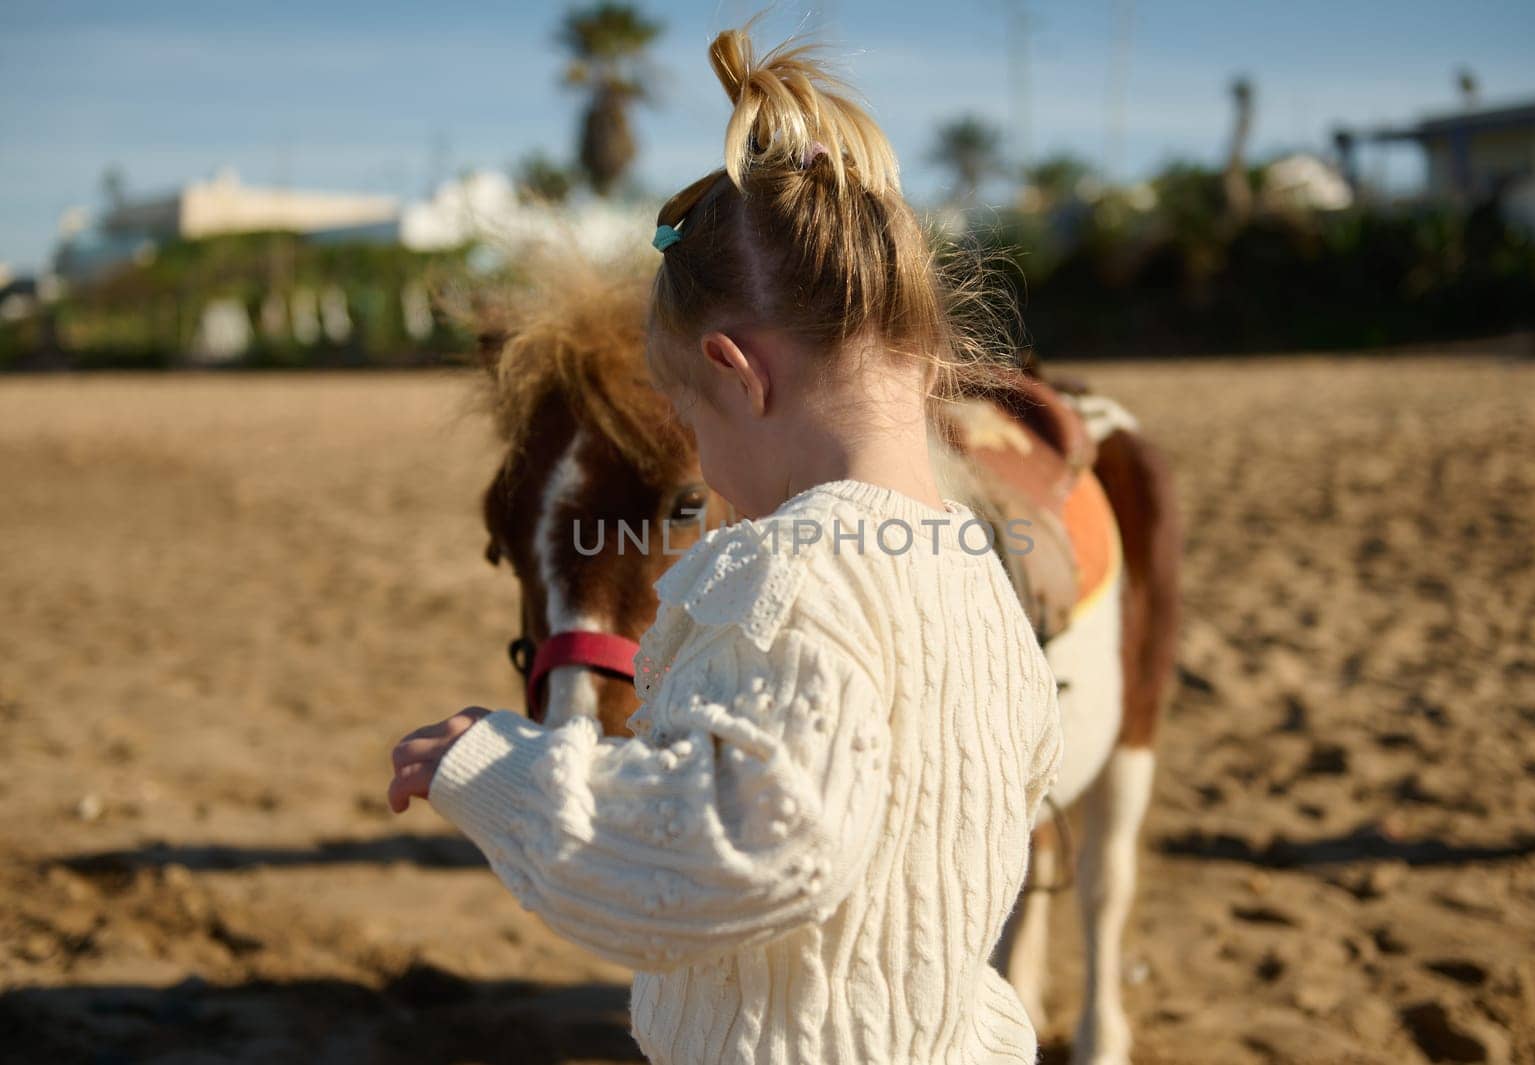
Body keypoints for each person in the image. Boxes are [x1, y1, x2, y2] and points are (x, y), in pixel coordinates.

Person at [387, 24, 1063, 1065]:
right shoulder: (978, 570)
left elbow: (735, 852)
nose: (702, 463)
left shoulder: (789, 576)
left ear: (737, 373)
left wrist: (504, 774)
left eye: (689, 422)